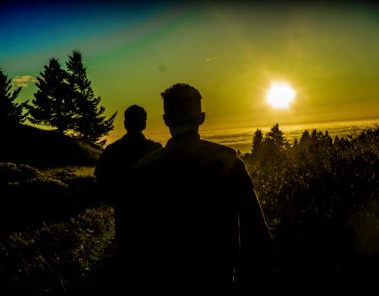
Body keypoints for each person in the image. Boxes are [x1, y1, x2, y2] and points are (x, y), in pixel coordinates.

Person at [117, 83, 275, 294]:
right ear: (202, 118)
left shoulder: (142, 170)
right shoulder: (227, 161)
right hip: (218, 276)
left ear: (166, 121)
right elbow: (256, 226)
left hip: (162, 280)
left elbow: (130, 236)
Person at [94, 104, 162, 243]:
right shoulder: (155, 150)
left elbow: (101, 180)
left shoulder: (112, 150)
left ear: (125, 124)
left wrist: (116, 201)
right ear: (144, 123)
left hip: (124, 216)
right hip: (151, 218)